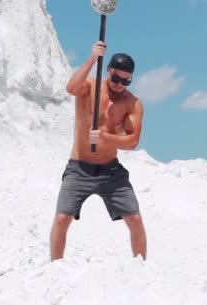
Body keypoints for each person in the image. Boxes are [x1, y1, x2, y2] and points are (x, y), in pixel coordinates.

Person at [49, 41, 147, 261]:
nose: (120, 84)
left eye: (126, 80)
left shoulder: (133, 103)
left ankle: (142, 270)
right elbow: (71, 88)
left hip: (110, 170)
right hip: (79, 167)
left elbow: (132, 141)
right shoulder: (90, 87)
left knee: (135, 220)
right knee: (62, 219)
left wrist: (106, 138)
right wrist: (92, 58)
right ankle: (54, 270)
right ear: (109, 71)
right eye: (116, 78)